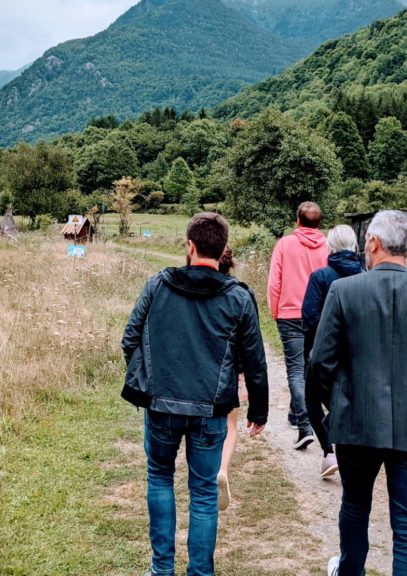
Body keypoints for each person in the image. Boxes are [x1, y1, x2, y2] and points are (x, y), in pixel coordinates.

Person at [309, 210, 407, 576]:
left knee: (355, 507)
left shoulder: (344, 291)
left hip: (356, 423)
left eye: (366, 242)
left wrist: (339, 404)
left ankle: (350, 572)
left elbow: (320, 363)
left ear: (374, 243)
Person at [121, 214, 269, 576]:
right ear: (221, 251)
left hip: (161, 405)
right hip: (212, 411)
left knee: (159, 477)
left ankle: (161, 570)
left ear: (190, 246)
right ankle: (200, 572)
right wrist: (259, 410)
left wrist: (149, 381)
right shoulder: (239, 296)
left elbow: (130, 339)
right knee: (203, 492)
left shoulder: (158, 285)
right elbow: (255, 359)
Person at [300, 225, 361, 479]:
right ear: (355, 247)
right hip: (356, 352)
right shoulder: (365, 276)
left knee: (312, 400)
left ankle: (329, 452)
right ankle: (351, 451)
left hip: (322, 351)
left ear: (330, 247)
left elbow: (309, 317)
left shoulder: (321, 277)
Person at [268, 201, 328, 450]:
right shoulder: (328, 246)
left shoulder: (285, 244)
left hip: (290, 312)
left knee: (295, 368)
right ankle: (296, 415)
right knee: (308, 366)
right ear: (318, 223)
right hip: (318, 314)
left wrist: (275, 310)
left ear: (298, 220)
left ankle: (304, 426)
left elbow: (275, 280)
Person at [216, 246, 246, 511]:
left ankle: (208, 470)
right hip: (233, 369)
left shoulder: (203, 291)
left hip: (206, 371)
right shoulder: (239, 293)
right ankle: (223, 469)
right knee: (231, 424)